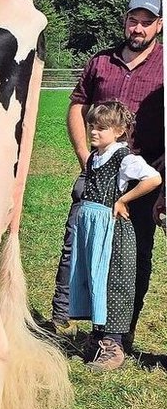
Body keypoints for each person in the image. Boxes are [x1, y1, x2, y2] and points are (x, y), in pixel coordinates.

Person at [52, 0, 164, 351]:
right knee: (83, 246)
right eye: (134, 20)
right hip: (97, 171)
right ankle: (83, 321)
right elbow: (77, 103)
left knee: (133, 254)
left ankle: (118, 335)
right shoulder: (101, 62)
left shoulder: (165, 65)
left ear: (159, 26)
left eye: (148, 22)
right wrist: (85, 154)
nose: (139, 28)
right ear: (125, 21)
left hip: (143, 175)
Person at [65, 101, 162, 371]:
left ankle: (113, 343)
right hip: (92, 230)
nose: (93, 132)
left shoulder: (124, 158)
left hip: (112, 232)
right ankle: (96, 339)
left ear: (119, 131)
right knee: (94, 280)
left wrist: (123, 200)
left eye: (101, 128)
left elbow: (153, 178)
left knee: (113, 281)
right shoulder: (96, 157)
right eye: (91, 126)